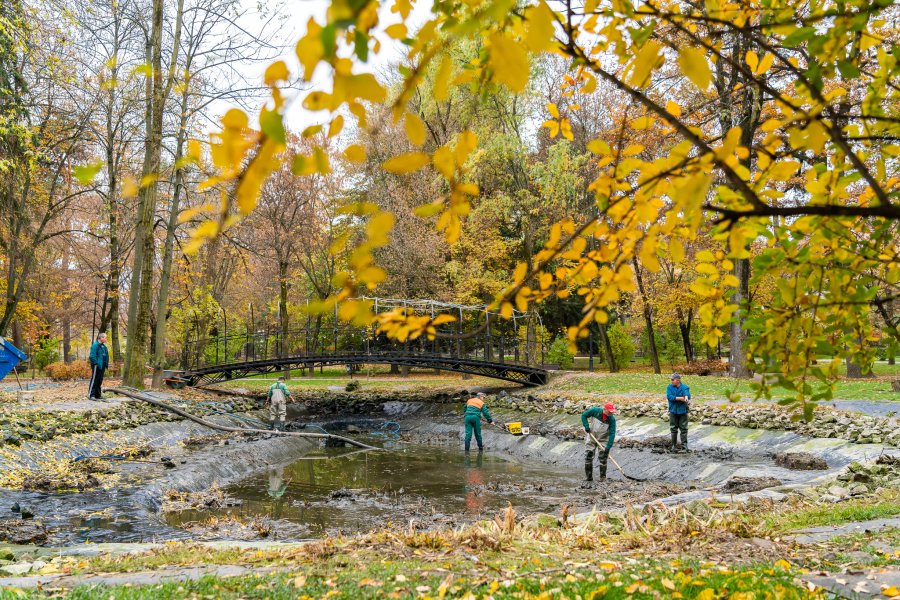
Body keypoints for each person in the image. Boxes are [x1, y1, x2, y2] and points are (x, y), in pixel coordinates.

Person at [581, 402, 617, 482]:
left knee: (603, 458)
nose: (611, 413)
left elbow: (612, 433)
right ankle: (589, 478)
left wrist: (608, 447)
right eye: (610, 411)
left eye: (612, 411)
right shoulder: (595, 411)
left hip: (603, 440)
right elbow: (584, 416)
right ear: (605, 409)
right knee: (588, 456)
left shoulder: (611, 419)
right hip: (592, 436)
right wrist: (586, 426)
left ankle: (602, 478)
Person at [667, 373, 691, 452]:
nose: (671, 381)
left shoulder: (685, 387)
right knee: (673, 429)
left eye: (672, 380)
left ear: (678, 380)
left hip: (683, 411)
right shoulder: (669, 387)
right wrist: (680, 398)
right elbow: (670, 397)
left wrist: (686, 396)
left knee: (684, 429)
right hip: (673, 411)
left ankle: (685, 447)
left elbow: (687, 394)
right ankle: (673, 446)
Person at [88, 333, 109, 401]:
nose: (106, 339)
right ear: (101, 338)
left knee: (99, 380)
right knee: (95, 379)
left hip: (102, 366)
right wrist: (96, 363)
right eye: (105, 338)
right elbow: (92, 356)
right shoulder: (95, 345)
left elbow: (105, 355)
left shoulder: (103, 346)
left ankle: (98, 395)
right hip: (96, 366)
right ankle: (91, 395)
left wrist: (106, 364)